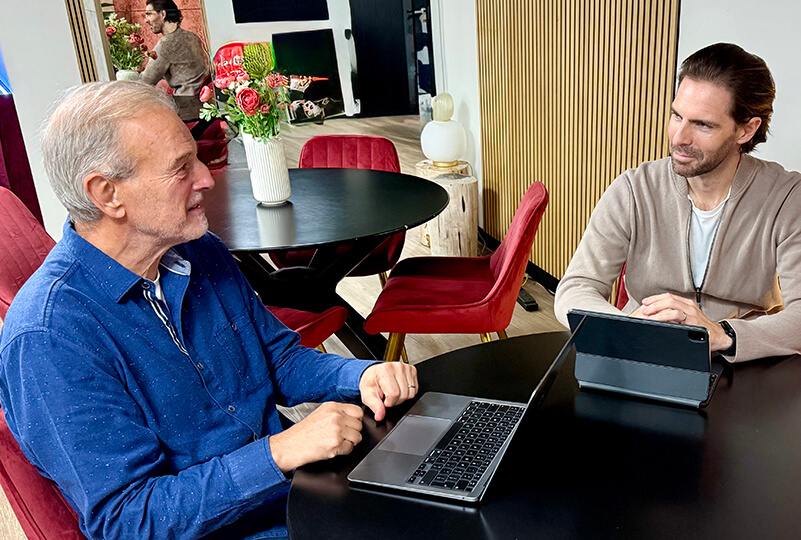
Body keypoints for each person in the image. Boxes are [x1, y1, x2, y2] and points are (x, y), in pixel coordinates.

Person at [0, 81, 418, 539]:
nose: (206, 178)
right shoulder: (50, 338)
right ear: (107, 194)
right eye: (181, 168)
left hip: (299, 493)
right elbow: (127, 519)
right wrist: (279, 453)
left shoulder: (199, 250)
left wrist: (359, 376)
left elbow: (276, 358)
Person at [554, 43, 801, 364]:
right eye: (676, 115)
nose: (679, 137)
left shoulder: (787, 197)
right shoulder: (634, 189)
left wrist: (722, 334)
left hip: (740, 362)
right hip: (641, 352)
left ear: (746, 130)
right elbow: (576, 286)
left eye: (703, 124)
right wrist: (626, 328)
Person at [141, 0, 208, 121]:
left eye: (149, 14)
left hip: (186, 111)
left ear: (163, 14)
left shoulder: (166, 44)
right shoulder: (192, 37)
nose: (146, 20)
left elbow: (145, 81)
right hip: (204, 106)